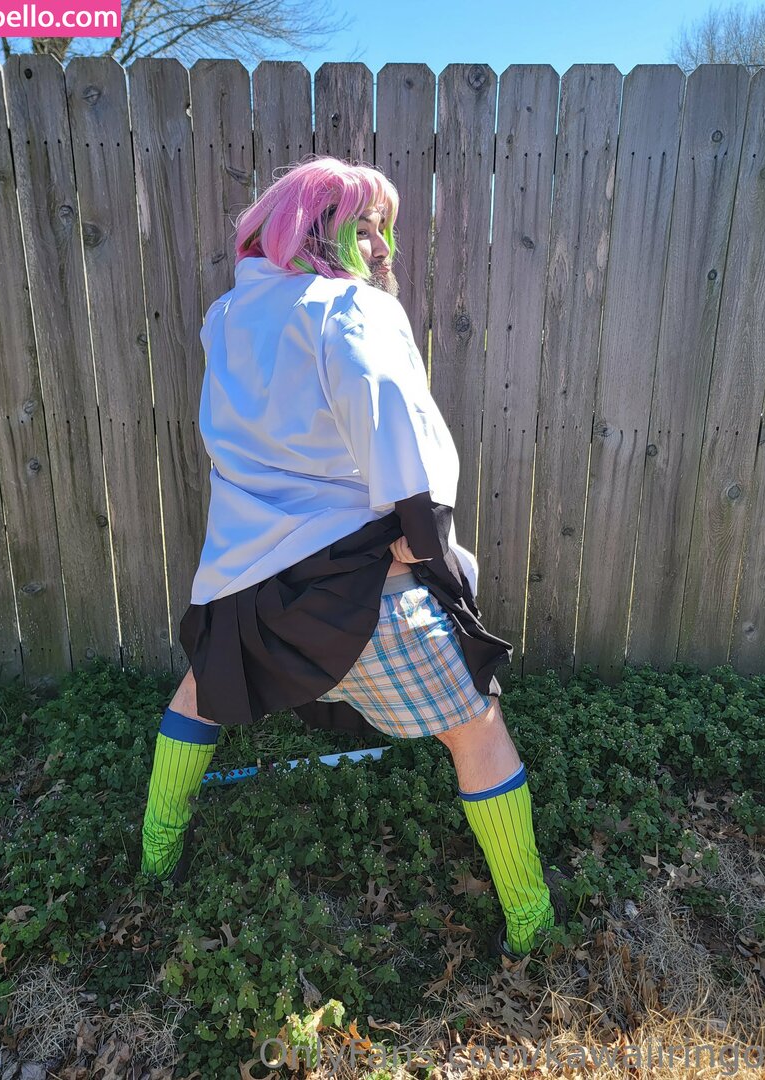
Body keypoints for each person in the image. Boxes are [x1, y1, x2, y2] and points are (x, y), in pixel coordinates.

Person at [140, 155, 566, 960]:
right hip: (359, 590)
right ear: (307, 233)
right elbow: (396, 421)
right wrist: (424, 538)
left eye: (383, 230)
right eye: (359, 229)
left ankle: (156, 861)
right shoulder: (350, 310)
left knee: (199, 694)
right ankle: (533, 922)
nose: (379, 247)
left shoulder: (226, 316)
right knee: (477, 728)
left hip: (244, 580)